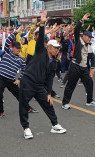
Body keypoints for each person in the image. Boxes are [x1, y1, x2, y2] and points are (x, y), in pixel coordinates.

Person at [19, 11, 66, 139]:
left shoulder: (54, 62)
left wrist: (49, 93)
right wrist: (42, 23)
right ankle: (26, 128)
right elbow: (40, 39)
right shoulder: (41, 51)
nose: (57, 50)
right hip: (27, 81)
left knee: (48, 103)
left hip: (39, 86)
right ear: (49, 47)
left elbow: (50, 78)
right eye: (55, 47)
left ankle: (55, 125)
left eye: (58, 48)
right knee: (23, 104)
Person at [62, 13, 95, 109]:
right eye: (89, 37)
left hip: (84, 68)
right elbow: (77, 30)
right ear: (84, 36)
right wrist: (82, 20)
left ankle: (89, 101)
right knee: (71, 85)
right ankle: (65, 103)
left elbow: (92, 57)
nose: (90, 39)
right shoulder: (78, 41)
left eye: (91, 38)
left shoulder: (89, 46)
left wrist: (92, 68)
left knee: (89, 83)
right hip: (75, 66)